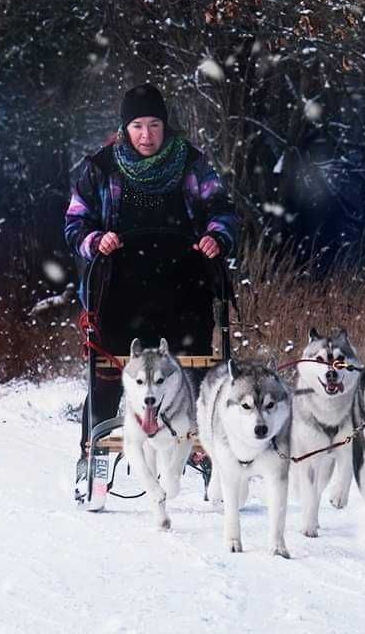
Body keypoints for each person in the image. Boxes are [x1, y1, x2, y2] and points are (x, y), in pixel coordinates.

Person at [64, 84, 239, 482]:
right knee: (108, 376)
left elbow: (222, 211)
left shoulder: (191, 164)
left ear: (165, 126)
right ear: (125, 128)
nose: (147, 135)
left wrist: (216, 236)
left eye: (154, 125)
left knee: (194, 375)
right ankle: (93, 456)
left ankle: (201, 451)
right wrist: (96, 240)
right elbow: (75, 222)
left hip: (184, 289)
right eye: (138, 126)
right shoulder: (101, 166)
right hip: (120, 292)